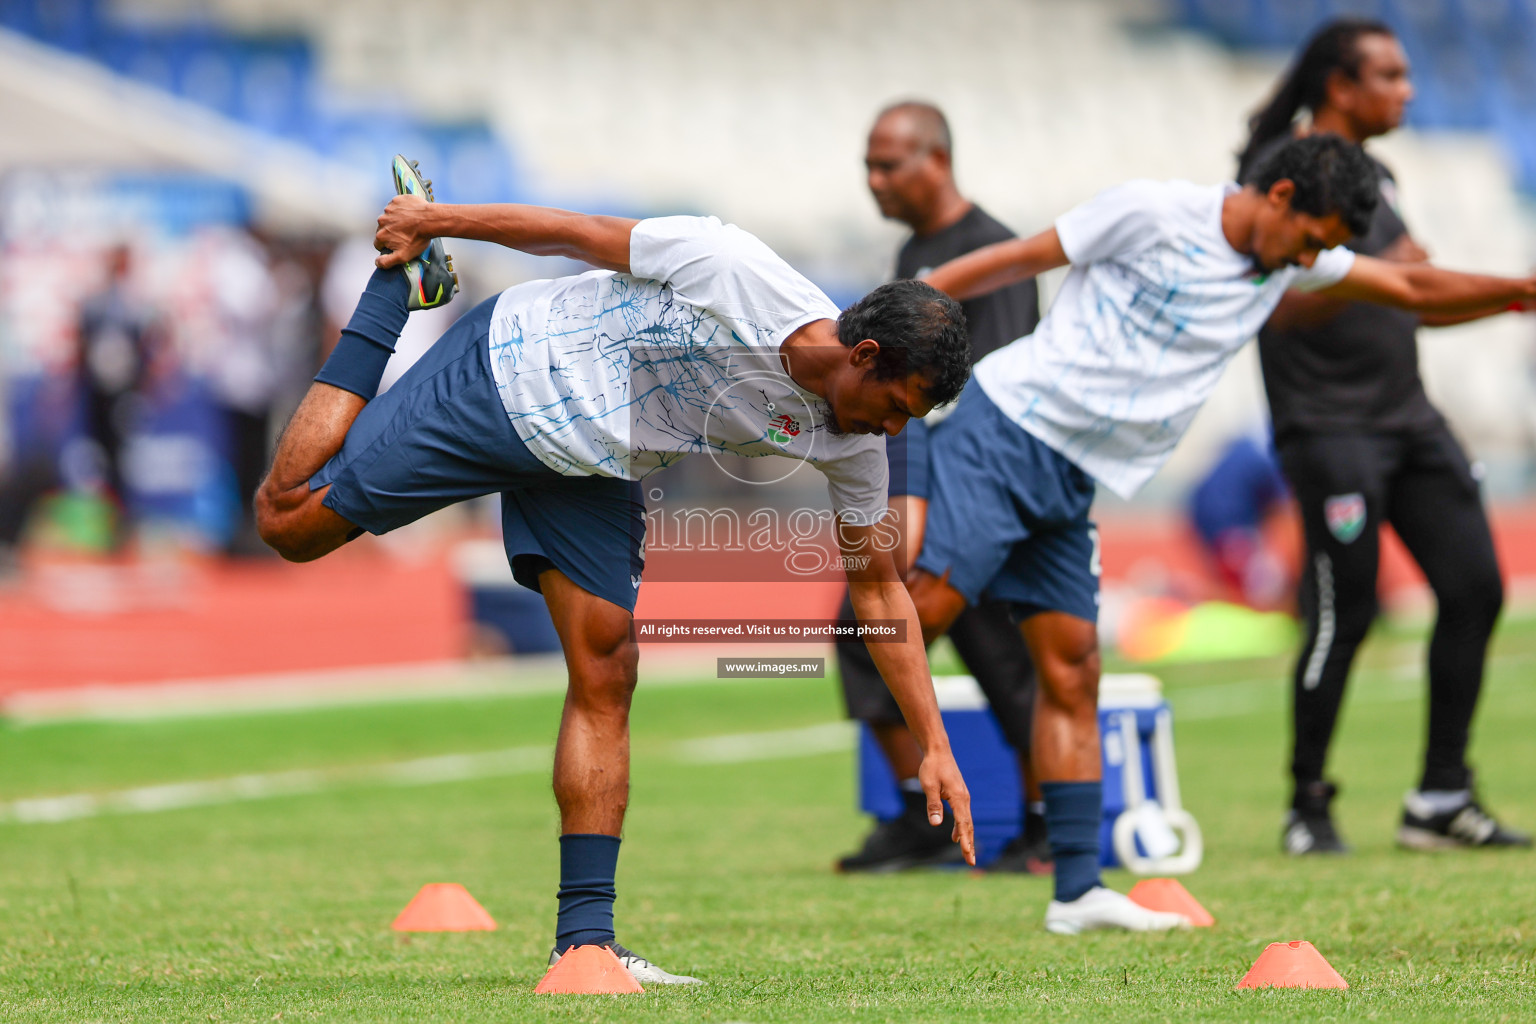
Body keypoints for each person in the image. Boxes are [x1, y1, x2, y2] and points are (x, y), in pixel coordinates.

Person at [254, 159, 978, 983]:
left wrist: (934, 742)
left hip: (593, 464)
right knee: (291, 522)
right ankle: (398, 291)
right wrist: (434, 221)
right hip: (511, 373)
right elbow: (575, 233)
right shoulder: (734, 270)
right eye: (895, 407)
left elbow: (880, 588)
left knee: (609, 662)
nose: (891, 432)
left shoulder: (855, 447)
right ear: (865, 354)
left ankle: (586, 942)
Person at [906, 132, 1536, 934]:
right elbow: (1013, 260)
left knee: (1074, 668)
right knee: (923, 610)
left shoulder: (1287, 256)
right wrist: (903, 320)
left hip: (1075, 473)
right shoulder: (1154, 213)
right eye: (1311, 238)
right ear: (1278, 199)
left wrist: (1519, 290)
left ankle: (1075, 894)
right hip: (1008, 429)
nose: (1311, 259)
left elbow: (1412, 289)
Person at [1238, 19, 1530, 854]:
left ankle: (1440, 797)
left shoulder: (1379, 175)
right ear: (1339, 84)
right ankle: (1308, 806)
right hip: (1329, 430)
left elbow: (1415, 288)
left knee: (1476, 588)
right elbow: (1278, 306)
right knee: (1347, 613)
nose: (1407, 89)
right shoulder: (1279, 177)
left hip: (1408, 417)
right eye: (1389, 75)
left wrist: (1483, 291)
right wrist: (1383, 277)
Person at [835, 101, 1048, 874]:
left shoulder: (993, 251)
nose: (874, 180)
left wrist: (926, 500)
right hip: (934, 485)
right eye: (869, 163)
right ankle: (933, 818)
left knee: (1002, 658)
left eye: (888, 164)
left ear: (936, 160)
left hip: (979, 488)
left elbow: (978, 392)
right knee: (960, 647)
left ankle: (1038, 825)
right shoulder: (915, 252)